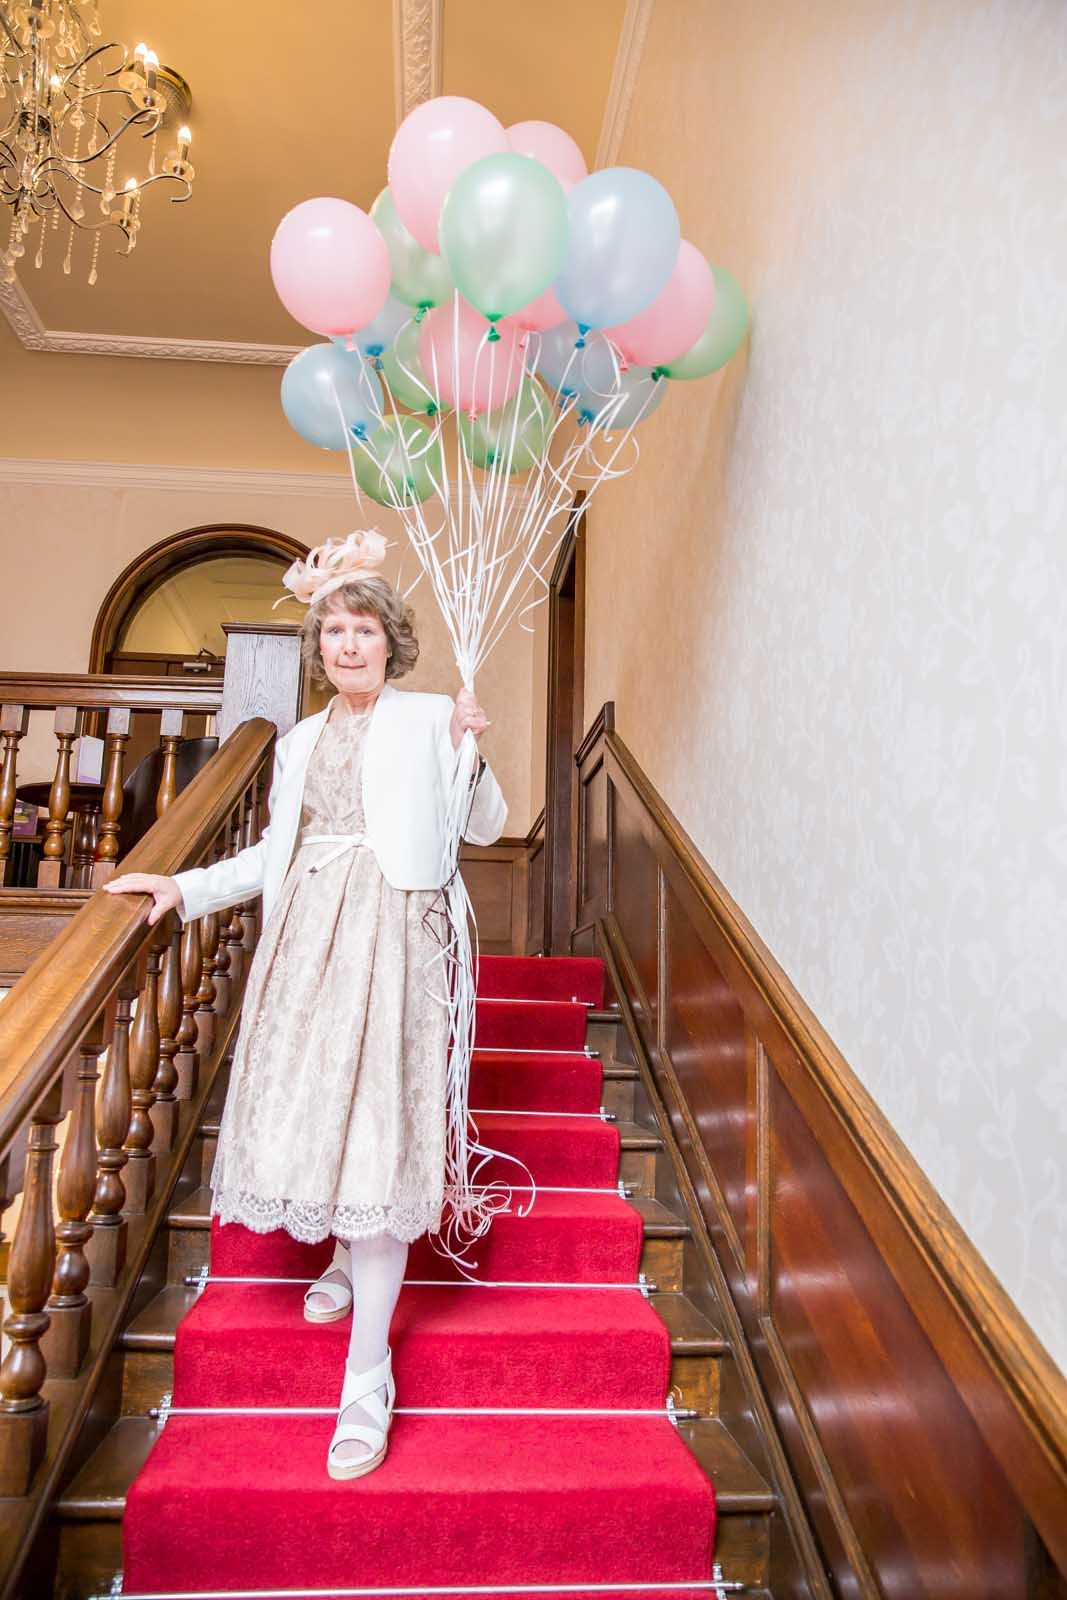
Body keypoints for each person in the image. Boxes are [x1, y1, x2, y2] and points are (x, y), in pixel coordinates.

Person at [103, 529, 506, 1481]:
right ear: (318, 648)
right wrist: (183, 888)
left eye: (364, 629)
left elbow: (483, 828)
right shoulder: (298, 741)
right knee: (323, 1105)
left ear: (390, 641)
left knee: (379, 1125)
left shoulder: (427, 718)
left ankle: (367, 1375)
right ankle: (338, 1256)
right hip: (306, 943)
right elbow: (271, 855)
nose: (348, 645)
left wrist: (470, 750)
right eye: (333, 631)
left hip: (396, 936)